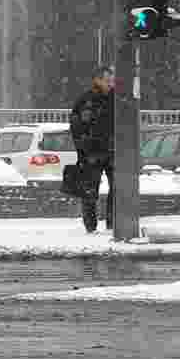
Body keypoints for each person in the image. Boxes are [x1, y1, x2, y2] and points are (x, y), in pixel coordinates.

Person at [70, 65, 115, 233]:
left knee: (116, 188)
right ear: (97, 80)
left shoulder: (117, 99)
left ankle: (112, 224)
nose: (111, 84)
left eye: (112, 80)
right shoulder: (85, 100)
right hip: (92, 153)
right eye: (107, 80)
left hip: (111, 152)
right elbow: (76, 127)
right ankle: (91, 226)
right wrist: (83, 150)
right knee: (89, 191)